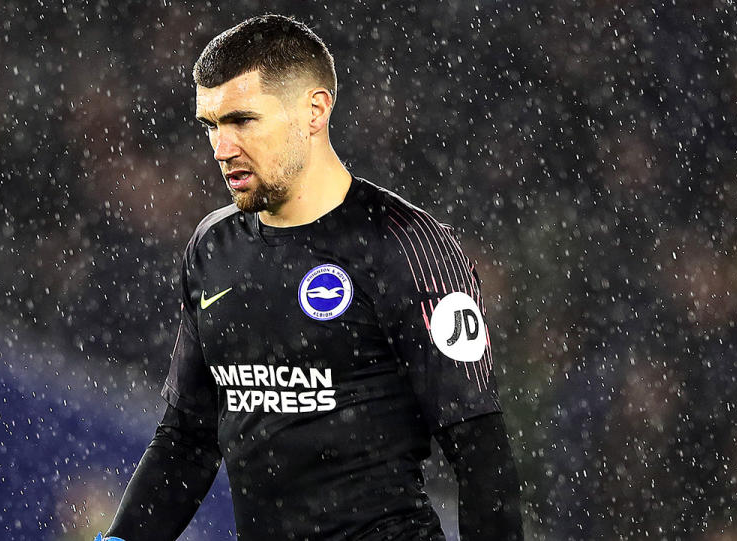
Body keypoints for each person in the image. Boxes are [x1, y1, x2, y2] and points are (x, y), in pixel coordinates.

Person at [103, 14, 523, 541]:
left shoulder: (407, 245)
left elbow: (480, 451)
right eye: (210, 124)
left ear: (315, 111)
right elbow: (188, 439)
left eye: (242, 120)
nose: (220, 147)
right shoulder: (212, 249)